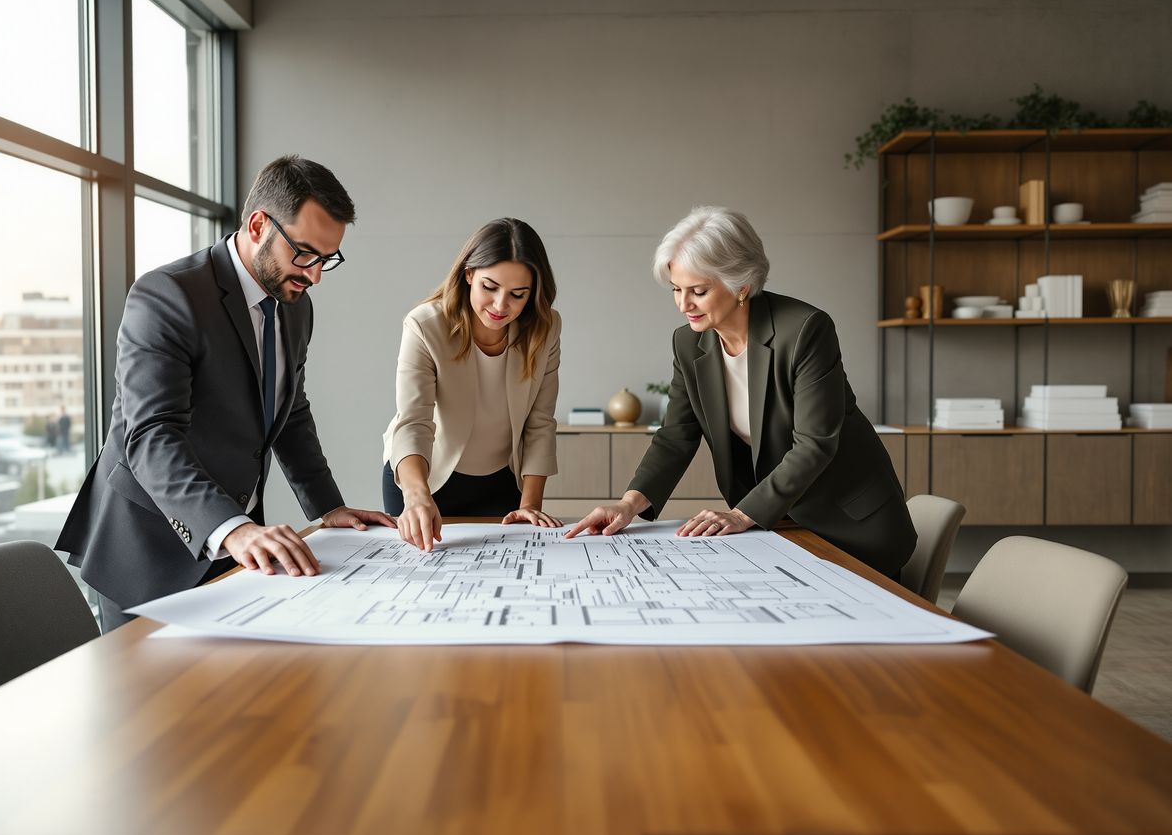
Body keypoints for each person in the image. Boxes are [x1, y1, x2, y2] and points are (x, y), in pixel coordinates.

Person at [57, 155, 394, 629]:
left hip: (235, 538)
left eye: (326, 259)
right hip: (150, 547)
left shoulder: (296, 306)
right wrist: (232, 530)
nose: (315, 274)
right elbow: (152, 436)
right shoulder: (167, 296)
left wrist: (327, 509)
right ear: (258, 225)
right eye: (304, 253)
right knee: (149, 701)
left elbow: (289, 412)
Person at [565, 206, 915, 578]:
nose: (684, 305)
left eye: (698, 291)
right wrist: (629, 504)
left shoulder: (805, 331)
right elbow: (676, 436)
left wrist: (741, 514)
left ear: (741, 285)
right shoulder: (689, 343)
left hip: (851, 525)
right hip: (779, 525)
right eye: (677, 290)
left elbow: (815, 444)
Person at [382, 218, 563, 551]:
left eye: (517, 295)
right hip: (424, 479)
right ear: (468, 275)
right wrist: (417, 496)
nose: (499, 306)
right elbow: (413, 422)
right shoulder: (425, 325)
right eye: (489, 287)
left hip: (501, 481)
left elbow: (539, 422)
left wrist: (530, 505)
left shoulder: (545, 328)